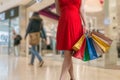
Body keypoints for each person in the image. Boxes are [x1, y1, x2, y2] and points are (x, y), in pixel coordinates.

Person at [55, 0, 86, 80]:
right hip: (74, 21)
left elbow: (58, 11)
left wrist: (66, 12)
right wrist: (86, 24)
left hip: (65, 20)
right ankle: (67, 78)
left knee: (67, 54)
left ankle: (71, 78)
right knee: (67, 54)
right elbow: (82, 10)